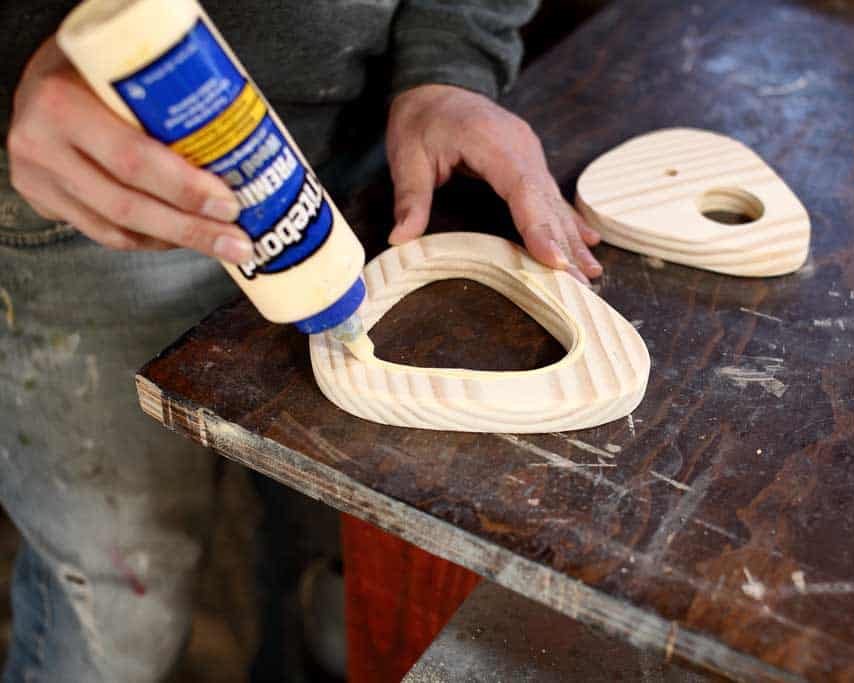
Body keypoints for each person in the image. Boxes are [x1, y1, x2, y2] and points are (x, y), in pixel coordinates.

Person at [0, 1, 603, 680]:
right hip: (92, 184)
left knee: (327, 542)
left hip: (373, 135)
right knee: (115, 602)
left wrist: (451, 64)